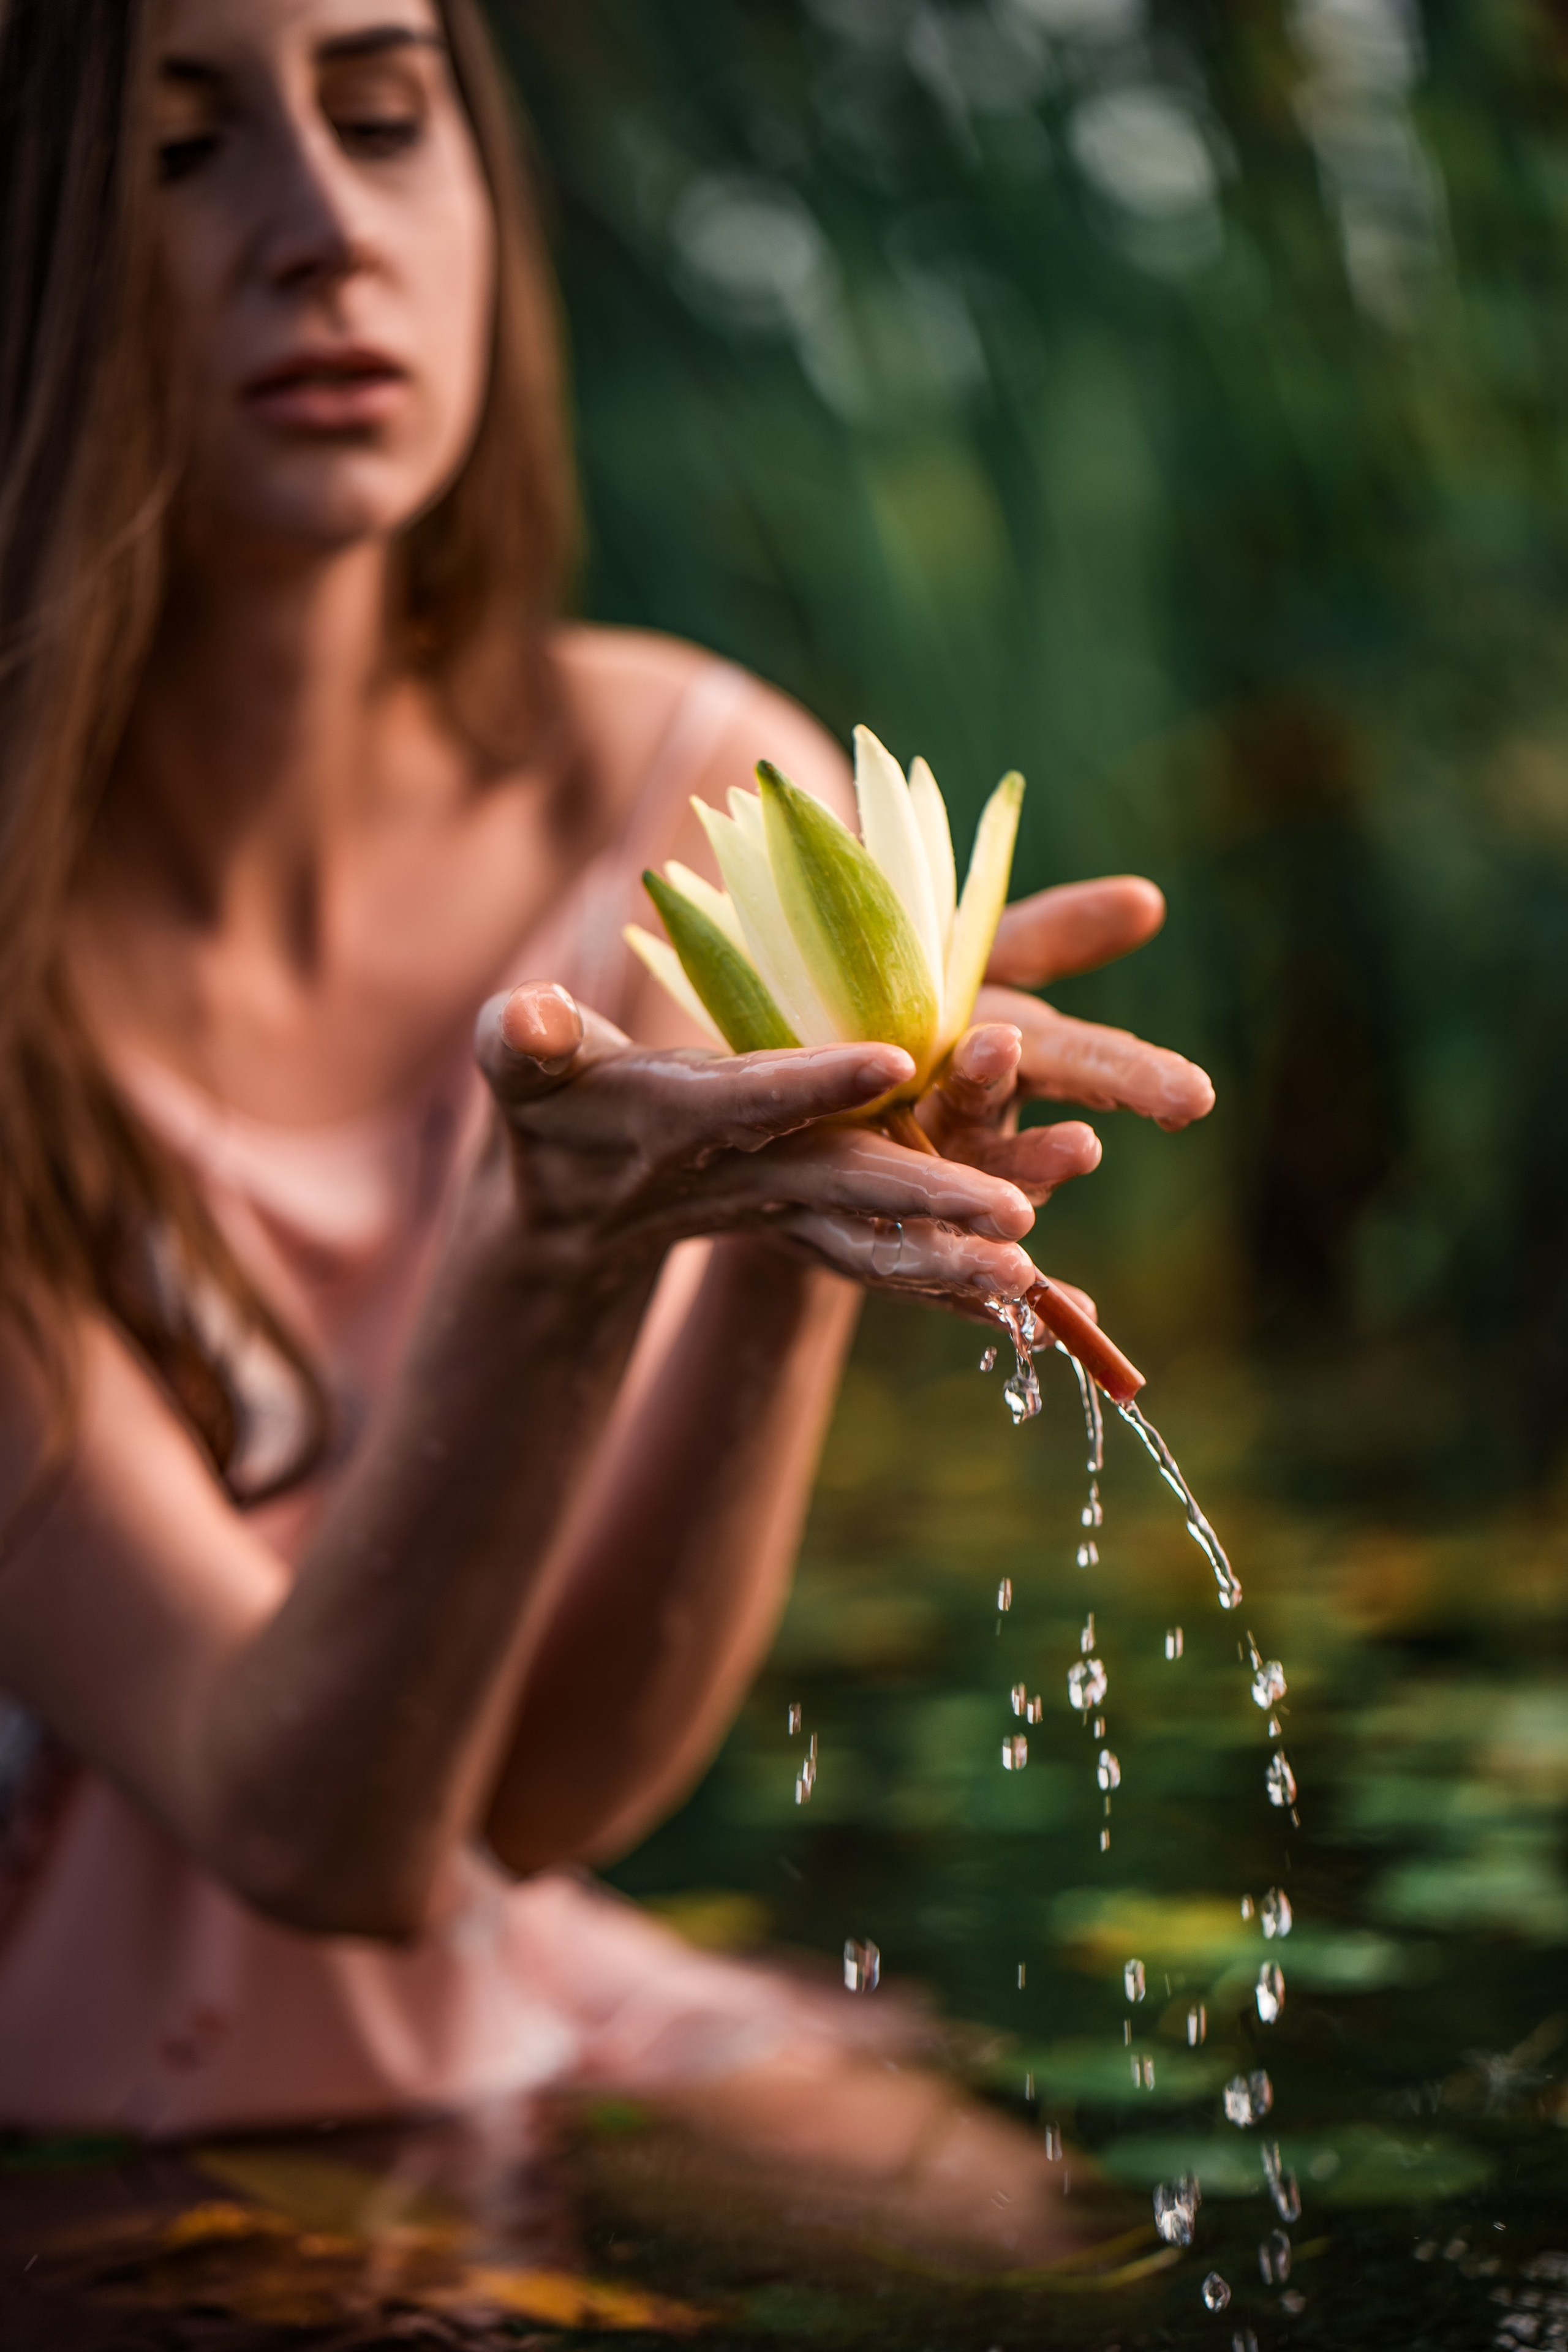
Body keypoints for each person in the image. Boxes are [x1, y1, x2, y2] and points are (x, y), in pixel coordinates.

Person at [0, 0, 1212, 2237]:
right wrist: (546, 1253)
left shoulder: (696, 801)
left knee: (1036, 2241)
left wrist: (808, 1228)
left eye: (385, 117)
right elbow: (310, 1830)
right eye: (179, 150)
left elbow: (538, 1807)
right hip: (70, 2114)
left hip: (490, 1974)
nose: (323, 227)